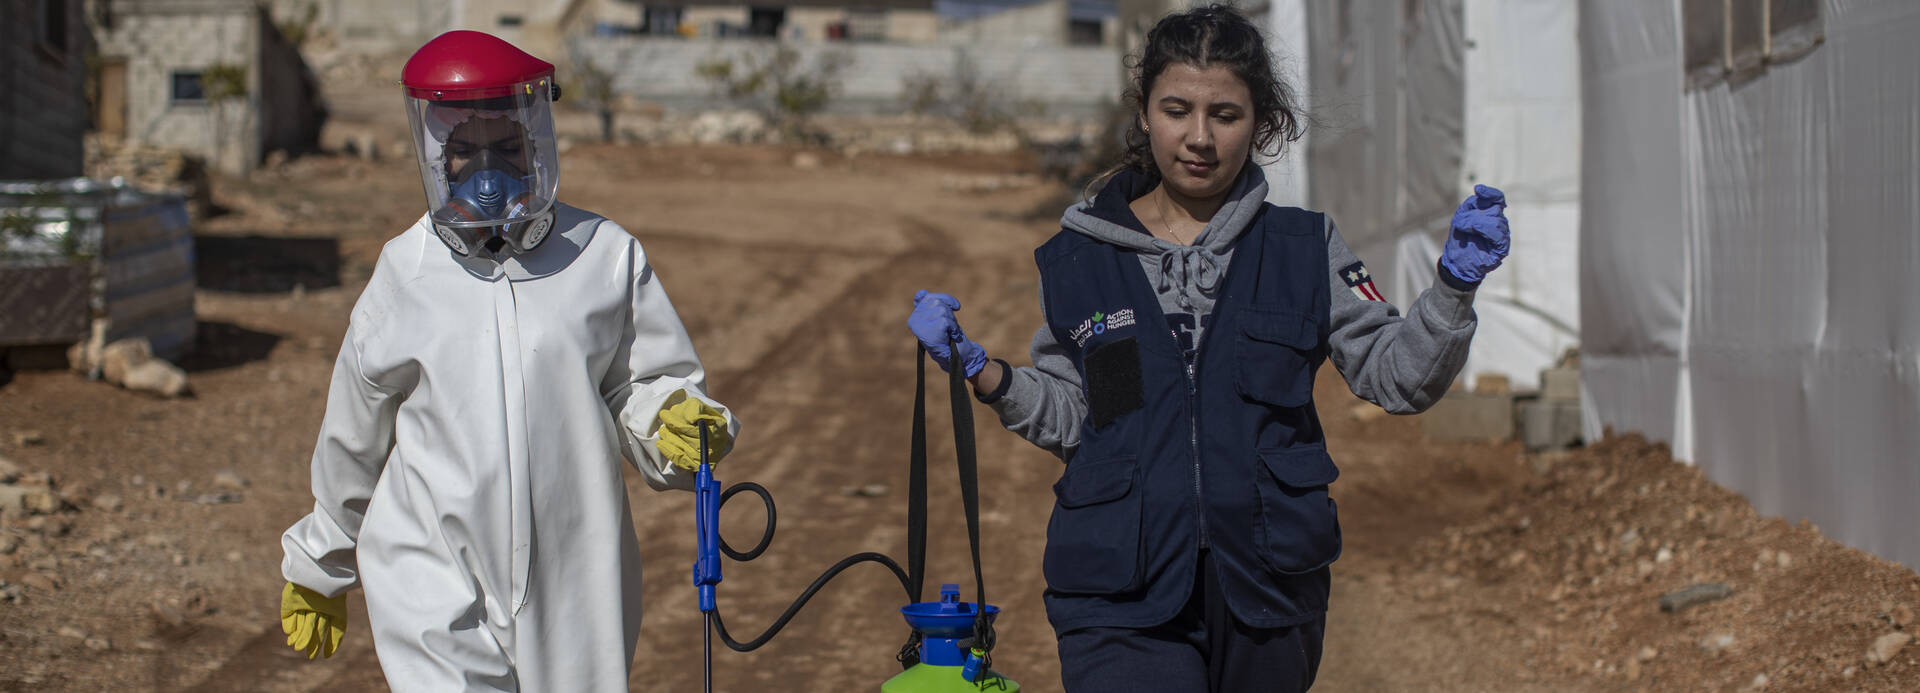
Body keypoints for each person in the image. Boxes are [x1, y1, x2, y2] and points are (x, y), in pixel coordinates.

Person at [906, 6, 1510, 691]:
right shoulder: (1080, 260)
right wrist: (981, 368)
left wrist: (1453, 289)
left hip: (1268, 594)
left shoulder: (1304, 249)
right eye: (1176, 109)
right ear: (1143, 113)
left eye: (1225, 114)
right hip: (1117, 595)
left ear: (1262, 121)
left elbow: (1399, 379)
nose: (1199, 137)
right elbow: (1076, 418)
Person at [276, 30, 740, 691]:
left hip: (574, 568)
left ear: (537, 143)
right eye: (464, 150)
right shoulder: (405, 273)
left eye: (507, 146)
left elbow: (641, 381)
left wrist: (678, 420)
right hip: (428, 562)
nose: (486, 169)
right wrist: (321, 559)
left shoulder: (601, 256)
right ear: (436, 154)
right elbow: (355, 427)